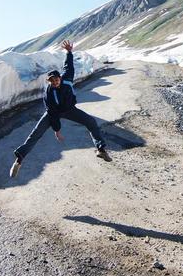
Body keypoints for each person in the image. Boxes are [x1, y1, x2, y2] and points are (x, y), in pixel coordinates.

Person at [9, 40, 111, 178]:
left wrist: (69, 52)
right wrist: (57, 130)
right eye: (52, 80)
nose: (55, 82)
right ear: (49, 82)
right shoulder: (49, 93)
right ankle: (19, 160)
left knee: (91, 122)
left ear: (59, 78)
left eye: (56, 79)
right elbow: (52, 112)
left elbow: (68, 65)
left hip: (70, 110)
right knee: (35, 134)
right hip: (54, 112)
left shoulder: (67, 78)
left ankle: (101, 149)